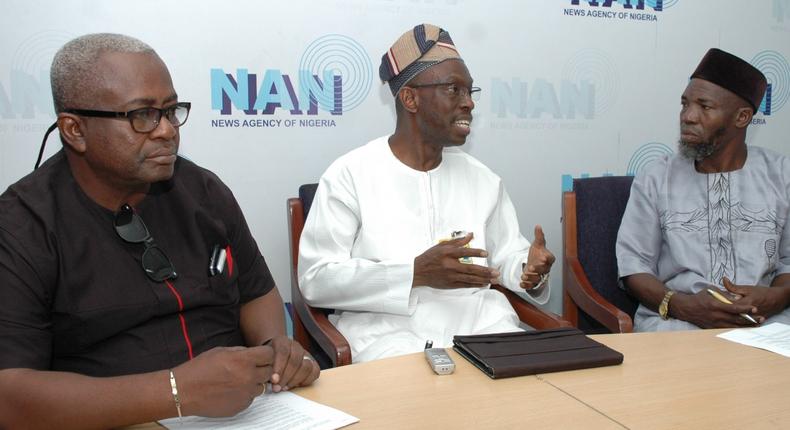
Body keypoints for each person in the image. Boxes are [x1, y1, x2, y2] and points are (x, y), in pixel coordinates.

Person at [0, 34, 318, 429]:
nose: (167, 130)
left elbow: (257, 293)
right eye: (142, 116)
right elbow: (9, 395)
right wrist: (175, 392)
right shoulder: (21, 227)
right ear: (74, 130)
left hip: (250, 414)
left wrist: (275, 347)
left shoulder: (204, 191)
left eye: (171, 111)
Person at [298, 24, 555, 363]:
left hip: (481, 331)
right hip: (388, 339)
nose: (469, 104)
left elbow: (508, 256)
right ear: (410, 98)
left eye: (470, 91)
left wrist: (528, 271)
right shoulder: (350, 175)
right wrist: (415, 273)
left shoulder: (483, 179)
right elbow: (317, 280)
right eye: (453, 90)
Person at [617, 48, 790, 331]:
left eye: (704, 106)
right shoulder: (657, 177)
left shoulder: (782, 175)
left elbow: (788, 260)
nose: (688, 116)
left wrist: (777, 296)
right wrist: (682, 306)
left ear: (742, 117)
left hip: (767, 324)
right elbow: (633, 266)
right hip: (676, 322)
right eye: (685, 104)